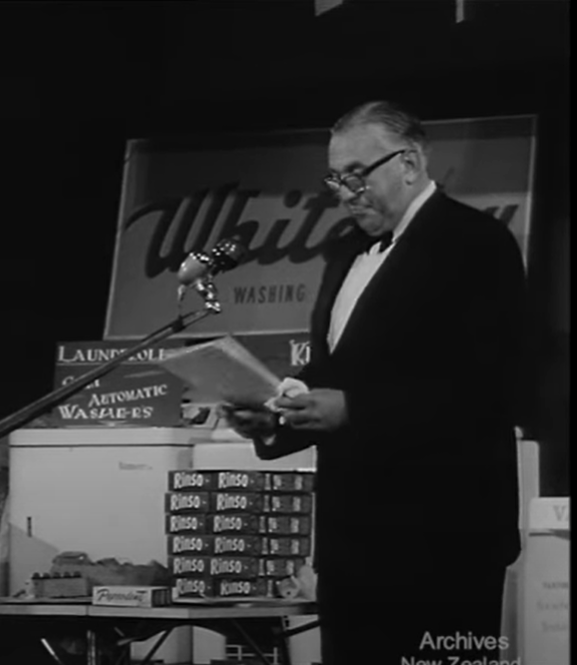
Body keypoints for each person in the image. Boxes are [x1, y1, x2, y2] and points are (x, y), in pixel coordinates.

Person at [222, 101, 526, 664]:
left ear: (409, 163)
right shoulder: (344, 250)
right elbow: (338, 373)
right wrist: (278, 415)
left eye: (356, 174)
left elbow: (488, 390)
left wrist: (356, 410)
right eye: (336, 178)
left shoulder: (476, 244)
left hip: (444, 544)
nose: (344, 191)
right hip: (352, 547)